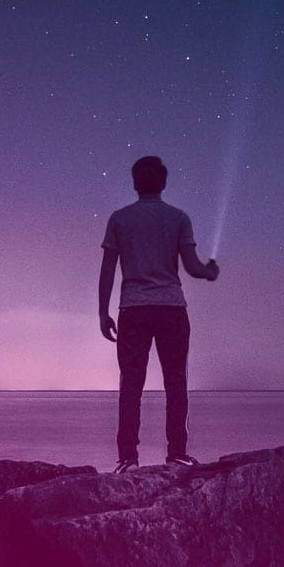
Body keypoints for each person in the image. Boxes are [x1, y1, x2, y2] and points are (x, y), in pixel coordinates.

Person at [98, 155, 219, 473]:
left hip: (133, 308)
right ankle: (177, 452)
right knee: (176, 381)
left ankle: (127, 458)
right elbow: (192, 267)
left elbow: (108, 268)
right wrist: (209, 271)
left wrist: (102, 312)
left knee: (131, 382)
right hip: (171, 308)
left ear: (135, 183)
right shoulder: (178, 218)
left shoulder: (119, 219)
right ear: (163, 183)